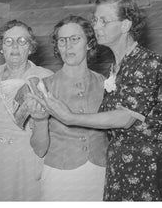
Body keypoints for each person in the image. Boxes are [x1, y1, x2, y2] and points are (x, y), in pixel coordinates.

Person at [30, 0, 162, 201]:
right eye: (95, 20)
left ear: (125, 25)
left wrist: (71, 117)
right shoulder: (116, 70)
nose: (96, 26)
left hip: (140, 165)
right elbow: (39, 147)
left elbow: (125, 118)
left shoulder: (143, 62)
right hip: (112, 168)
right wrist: (40, 120)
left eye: (103, 21)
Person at [0, 20, 54, 201]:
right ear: (1, 47)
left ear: (30, 47)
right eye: (8, 41)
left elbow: (53, 125)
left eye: (22, 41)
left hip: (26, 159)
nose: (14, 46)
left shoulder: (45, 77)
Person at [29, 15, 108, 201]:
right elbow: (39, 150)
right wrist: (40, 120)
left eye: (75, 39)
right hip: (60, 176)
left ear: (89, 43)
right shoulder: (44, 87)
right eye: (62, 41)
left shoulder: (105, 83)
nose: (68, 46)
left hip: (101, 172)